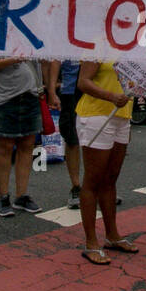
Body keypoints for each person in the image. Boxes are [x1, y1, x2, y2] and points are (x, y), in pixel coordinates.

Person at [75, 61, 135, 264]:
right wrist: (111, 96)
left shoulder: (131, 46)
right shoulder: (97, 44)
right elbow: (83, 82)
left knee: (110, 179)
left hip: (122, 115)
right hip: (97, 115)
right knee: (93, 180)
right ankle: (91, 242)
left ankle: (113, 236)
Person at [0, 58, 45, 216]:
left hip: (31, 95)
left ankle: (21, 195)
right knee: (5, 146)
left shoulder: (32, 37)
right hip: (5, 98)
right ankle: (3, 197)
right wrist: (17, 57)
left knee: (27, 145)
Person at [47, 60, 83, 208]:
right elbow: (56, 61)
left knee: (97, 139)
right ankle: (76, 187)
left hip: (95, 88)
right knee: (72, 139)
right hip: (70, 90)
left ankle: (102, 187)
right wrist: (51, 91)